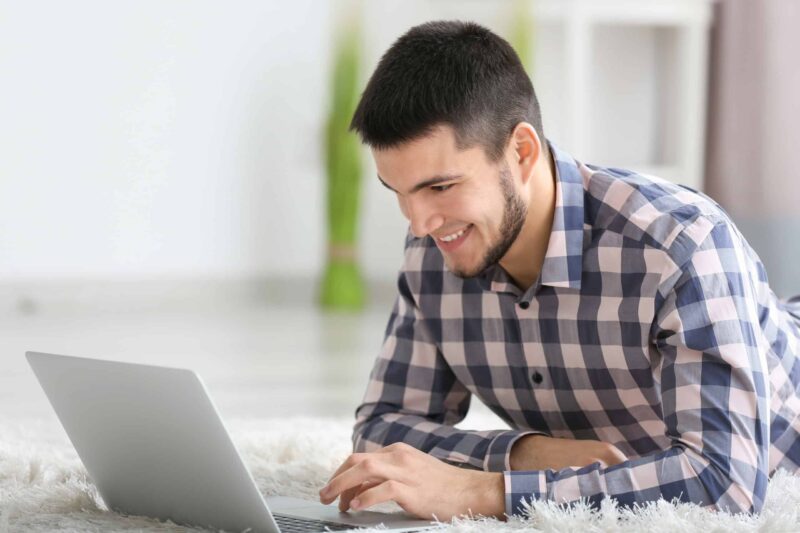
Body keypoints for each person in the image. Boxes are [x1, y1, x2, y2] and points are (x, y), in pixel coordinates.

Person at [318, 20, 800, 521]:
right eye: (398, 191)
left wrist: (486, 491)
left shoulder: (680, 244)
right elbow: (381, 431)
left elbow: (724, 485)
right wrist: (526, 453)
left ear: (521, 152)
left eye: (440, 188)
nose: (418, 224)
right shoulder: (435, 250)